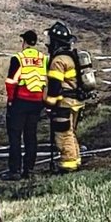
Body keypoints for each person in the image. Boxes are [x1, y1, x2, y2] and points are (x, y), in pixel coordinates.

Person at [5, 30, 48, 180]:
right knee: (31, 135)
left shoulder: (18, 58)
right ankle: (29, 168)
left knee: (15, 136)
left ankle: (14, 170)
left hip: (20, 101)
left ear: (24, 42)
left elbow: (11, 82)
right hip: (37, 102)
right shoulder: (43, 58)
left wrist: (10, 101)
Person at [45, 21, 83, 171]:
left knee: (63, 135)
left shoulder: (58, 61)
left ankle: (68, 165)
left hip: (65, 103)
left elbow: (55, 85)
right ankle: (76, 159)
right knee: (71, 132)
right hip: (76, 102)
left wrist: (49, 104)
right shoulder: (71, 57)